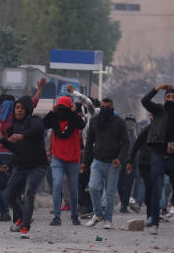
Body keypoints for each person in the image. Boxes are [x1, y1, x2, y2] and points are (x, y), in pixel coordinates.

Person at [141, 85, 174, 235]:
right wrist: (157, 88)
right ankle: (155, 223)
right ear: (164, 98)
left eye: (173, 97)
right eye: (168, 97)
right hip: (158, 154)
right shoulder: (158, 110)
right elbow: (144, 100)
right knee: (156, 190)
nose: (170, 99)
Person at [0, 96, 47, 238]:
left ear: (27, 110)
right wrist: (1, 139)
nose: (18, 111)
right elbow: (16, 150)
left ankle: (25, 227)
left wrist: (22, 136)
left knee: (29, 193)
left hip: (37, 166)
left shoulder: (34, 120)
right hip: (21, 166)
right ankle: (22, 218)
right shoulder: (14, 126)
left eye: (21, 108)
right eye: (16, 108)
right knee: (9, 196)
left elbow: (38, 129)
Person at [83, 98, 129, 230]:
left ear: (112, 107)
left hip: (113, 163)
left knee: (110, 193)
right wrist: (84, 162)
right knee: (93, 187)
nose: (105, 110)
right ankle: (98, 214)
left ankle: (108, 219)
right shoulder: (95, 121)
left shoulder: (119, 122)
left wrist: (120, 159)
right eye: (102, 107)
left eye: (107, 107)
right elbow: (89, 143)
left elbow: (126, 143)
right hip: (97, 160)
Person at [44, 95, 86, 226]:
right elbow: (43, 124)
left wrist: (74, 112)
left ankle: (74, 215)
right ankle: (57, 216)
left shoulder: (75, 118)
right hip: (57, 158)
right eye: (59, 108)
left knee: (73, 188)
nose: (62, 112)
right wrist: (52, 112)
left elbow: (82, 124)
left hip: (73, 158)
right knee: (57, 185)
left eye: (65, 108)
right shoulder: (54, 118)